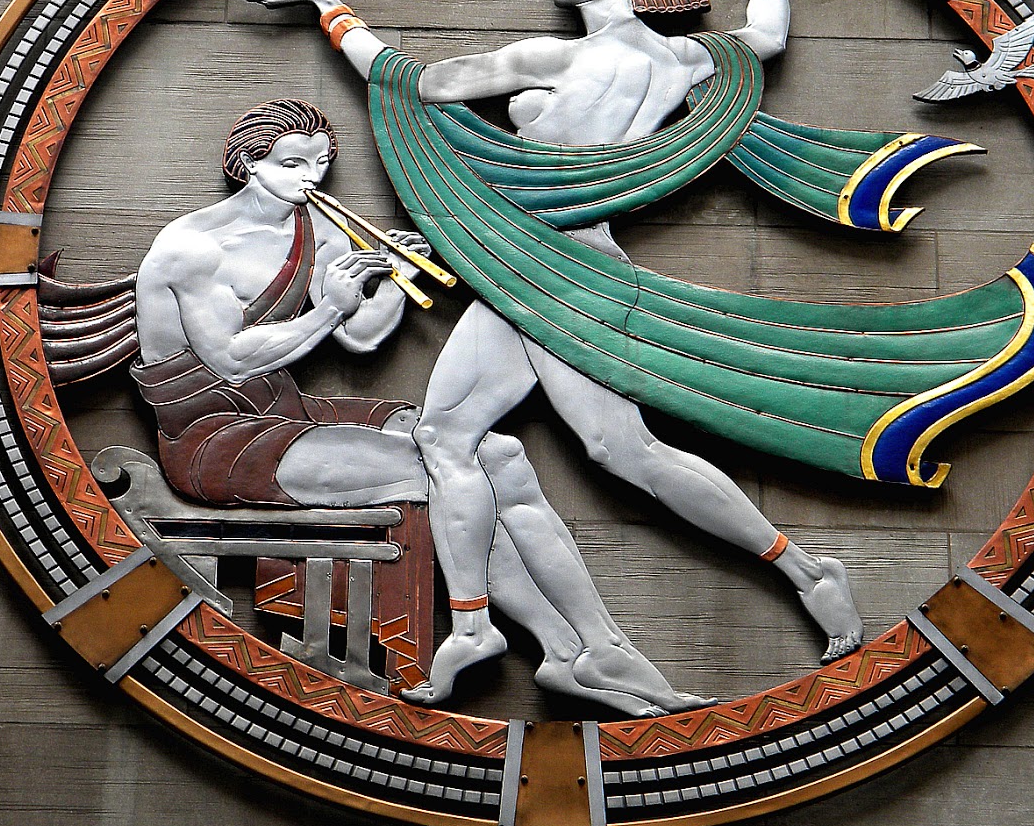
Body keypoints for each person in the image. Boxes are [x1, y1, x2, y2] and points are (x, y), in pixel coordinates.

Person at [231, 0, 866, 695]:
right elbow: (765, 37)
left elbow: (412, 81)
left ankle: (804, 570)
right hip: (557, 265)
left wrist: (331, 7)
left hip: (550, 268)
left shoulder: (556, 58)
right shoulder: (684, 59)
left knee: (611, 452)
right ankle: (477, 629)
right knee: (466, 437)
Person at [132, 98, 707, 713]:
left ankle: (596, 647)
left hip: (288, 411)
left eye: (321, 163)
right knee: (442, 469)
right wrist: (331, 306)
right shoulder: (194, 248)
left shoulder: (315, 225)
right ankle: (508, 634)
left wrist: (391, 278)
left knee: (500, 456)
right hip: (214, 436)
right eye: (293, 164)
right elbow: (232, 360)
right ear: (249, 164)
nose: (312, 178)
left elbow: (362, 335)